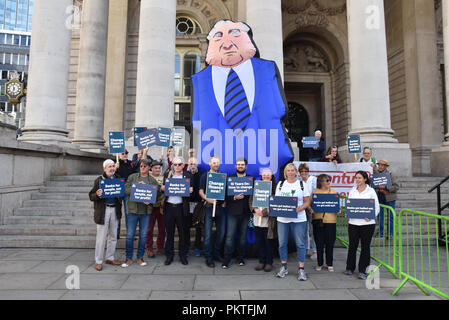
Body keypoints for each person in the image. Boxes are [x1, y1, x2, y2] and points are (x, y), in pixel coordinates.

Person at [191, 20, 294, 179]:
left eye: (235, 34)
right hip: (218, 163)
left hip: (266, 162)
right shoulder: (200, 80)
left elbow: (280, 108)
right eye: (218, 36)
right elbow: (197, 121)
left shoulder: (266, 69)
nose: (227, 44)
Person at [275, 163, 311, 281]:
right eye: (288, 170)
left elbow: (307, 202)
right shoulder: (280, 185)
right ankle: (284, 267)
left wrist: (301, 208)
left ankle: (301, 269)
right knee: (282, 243)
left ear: (296, 172)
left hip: (299, 218)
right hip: (282, 219)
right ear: (285, 173)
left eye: (292, 170)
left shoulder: (301, 184)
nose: (290, 172)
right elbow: (277, 201)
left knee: (300, 244)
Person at [122, 159, 159, 268]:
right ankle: (128, 258)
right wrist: (137, 186)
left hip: (145, 212)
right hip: (133, 211)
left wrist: (151, 200)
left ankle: (140, 257)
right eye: (141, 166)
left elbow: (157, 195)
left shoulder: (152, 180)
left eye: (145, 166)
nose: (142, 168)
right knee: (129, 235)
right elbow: (126, 190)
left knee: (143, 236)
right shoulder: (132, 177)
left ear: (149, 168)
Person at [345, 171, 380, 280]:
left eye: (359, 178)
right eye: (356, 178)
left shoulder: (371, 191)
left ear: (365, 179)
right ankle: (350, 268)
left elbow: (376, 206)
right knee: (352, 246)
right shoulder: (352, 190)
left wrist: (371, 215)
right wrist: (348, 211)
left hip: (367, 224)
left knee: (365, 247)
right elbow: (350, 204)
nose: (357, 180)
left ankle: (363, 270)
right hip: (354, 223)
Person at [88, 159, 122, 271]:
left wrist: (120, 194)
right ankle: (98, 261)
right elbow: (91, 196)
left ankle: (110, 257)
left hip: (115, 210)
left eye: (113, 166)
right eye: (109, 167)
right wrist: (97, 194)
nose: (112, 168)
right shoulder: (99, 180)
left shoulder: (118, 179)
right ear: (104, 169)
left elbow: (122, 194)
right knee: (101, 238)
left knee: (113, 236)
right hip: (103, 211)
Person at [161, 156, 193, 265]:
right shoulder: (167, 174)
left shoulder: (188, 176)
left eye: (180, 164)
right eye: (175, 164)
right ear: (172, 165)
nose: (177, 166)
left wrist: (190, 190)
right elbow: (162, 189)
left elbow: (191, 192)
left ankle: (182, 255)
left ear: (183, 165)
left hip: (181, 208)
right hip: (169, 207)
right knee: (169, 233)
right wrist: (162, 189)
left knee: (182, 233)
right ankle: (169, 255)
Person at [222, 158, 253, 269]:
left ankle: (240, 258)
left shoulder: (251, 179)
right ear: (235, 166)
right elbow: (225, 194)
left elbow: (254, 195)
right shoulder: (230, 178)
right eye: (238, 164)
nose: (240, 166)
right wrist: (235, 197)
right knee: (230, 237)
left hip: (245, 212)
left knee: (242, 237)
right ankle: (227, 259)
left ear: (246, 166)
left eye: (242, 164)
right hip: (232, 212)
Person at [199, 155, 227, 268]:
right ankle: (208, 257)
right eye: (214, 162)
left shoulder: (222, 176)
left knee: (221, 233)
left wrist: (224, 200)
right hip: (209, 207)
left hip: (220, 207)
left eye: (217, 163)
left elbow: (224, 190)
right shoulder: (205, 176)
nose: (216, 164)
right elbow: (200, 191)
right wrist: (207, 198)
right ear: (210, 163)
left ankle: (216, 253)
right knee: (207, 235)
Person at [310, 174, 340, 272]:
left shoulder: (334, 192)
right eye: (327, 180)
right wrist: (311, 210)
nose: (328, 182)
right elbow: (309, 205)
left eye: (329, 180)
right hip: (318, 221)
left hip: (331, 221)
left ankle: (329, 264)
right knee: (319, 243)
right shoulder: (315, 192)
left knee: (330, 243)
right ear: (321, 182)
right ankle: (319, 263)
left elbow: (337, 206)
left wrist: (338, 210)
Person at [249, 167, 277, 272]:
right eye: (264, 175)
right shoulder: (257, 186)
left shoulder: (275, 188)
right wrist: (255, 209)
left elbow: (275, 202)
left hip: (269, 221)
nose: (266, 176)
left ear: (271, 176)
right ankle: (261, 261)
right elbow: (251, 199)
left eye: (268, 175)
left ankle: (269, 262)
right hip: (257, 219)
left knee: (269, 242)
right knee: (260, 242)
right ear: (261, 176)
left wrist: (264, 212)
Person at [116, 149, 137, 239]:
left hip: (128, 190)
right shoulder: (116, 163)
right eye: (123, 153)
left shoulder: (131, 163)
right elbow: (111, 176)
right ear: (119, 155)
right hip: (118, 191)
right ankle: (116, 233)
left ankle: (130, 234)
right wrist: (115, 168)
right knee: (117, 213)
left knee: (129, 213)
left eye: (126, 153)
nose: (124, 155)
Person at [146, 160, 166, 258]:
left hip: (161, 206)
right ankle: (149, 248)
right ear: (151, 168)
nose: (158, 169)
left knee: (162, 229)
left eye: (159, 168)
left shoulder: (164, 178)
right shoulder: (148, 178)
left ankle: (160, 247)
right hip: (150, 207)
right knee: (149, 229)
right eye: (155, 168)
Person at [375, 159, 399, 238]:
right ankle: (381, 232)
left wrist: (386, 187)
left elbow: (396, 186)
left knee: (390, 216)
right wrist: (378, 188)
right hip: (380, 197)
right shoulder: (376, 174)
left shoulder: (391, 174)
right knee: (380, 215)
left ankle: (390, 233)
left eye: (382, 165)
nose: (380, 166)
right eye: (379, 165)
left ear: (386, 166)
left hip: (389, 198)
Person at [298, 163, 317, 260]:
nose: (304, 173)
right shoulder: (298, 181)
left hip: (312, 208)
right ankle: (305, 249)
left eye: (305, 171)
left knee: (313, 230)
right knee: (303, 230)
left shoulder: (313, 180)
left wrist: (310, 207)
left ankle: (315, 250)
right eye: (301, 171)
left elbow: (314, 193)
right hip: (302, 208)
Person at [187, 157, 205, 257]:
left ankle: (198, 246)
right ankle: (187, 246)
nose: (192, 165)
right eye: (191, 163)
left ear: (197, 164)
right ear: (188, 164)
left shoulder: (201, 173)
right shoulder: (185, 174)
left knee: (198, 226)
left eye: (194, 163)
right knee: (187, 225)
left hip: (199, 204)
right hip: (188, 203)